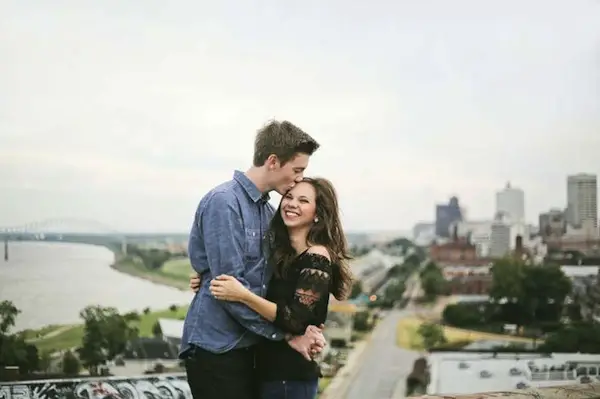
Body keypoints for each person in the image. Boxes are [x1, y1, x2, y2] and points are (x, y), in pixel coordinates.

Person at [179, 120, 327, 399]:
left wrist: (306, 324)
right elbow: (229, 291)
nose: (298, 178)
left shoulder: (269, 211)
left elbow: (270, 280)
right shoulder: (225, 202)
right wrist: (286, 335)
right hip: (217, 347)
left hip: (248, 348)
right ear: (273, 161)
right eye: (297, 170)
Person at [192, 177, 354, 399]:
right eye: (289, 197)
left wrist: (242, 295)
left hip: (290, 377)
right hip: (267, 373)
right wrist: (205, 278)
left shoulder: (316, 257)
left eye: (303, 200)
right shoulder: (282, 255)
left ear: (318, 214)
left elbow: (296, 319)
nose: (292, 204)